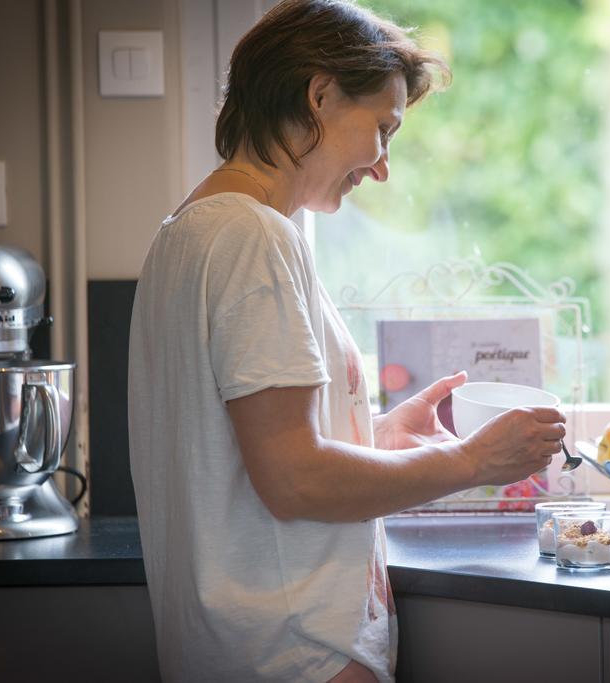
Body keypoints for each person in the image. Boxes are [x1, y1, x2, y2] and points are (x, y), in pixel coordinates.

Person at [127, 1, 567, 681]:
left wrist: (377, 437)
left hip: (231, 648)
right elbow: (296, 479)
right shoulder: (256, 240)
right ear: (320, 94)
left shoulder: (184, 232)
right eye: (383, 129)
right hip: (297, 652)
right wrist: (472, 461)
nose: (383, 165)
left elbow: (252, 456)